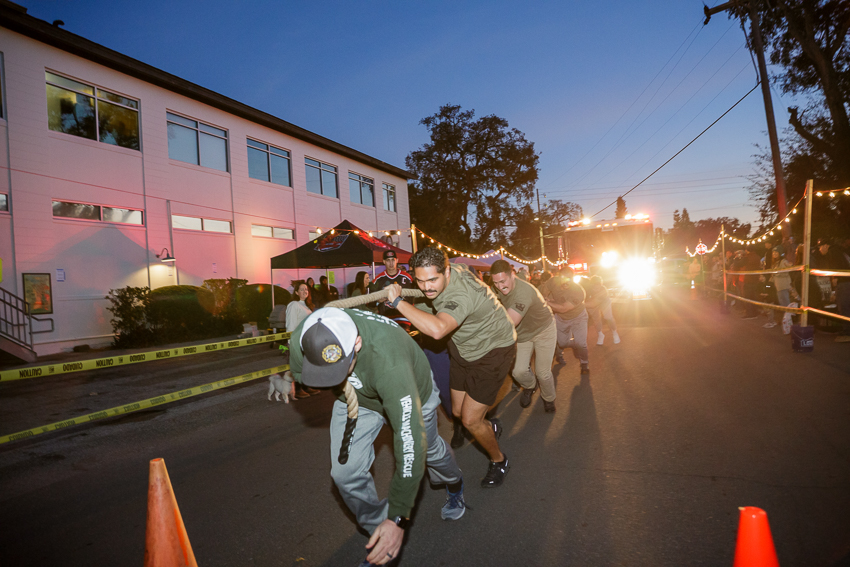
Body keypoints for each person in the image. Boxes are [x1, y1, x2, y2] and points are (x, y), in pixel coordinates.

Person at [282, 307, 466, 566]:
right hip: (358, 398)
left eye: (340, 368)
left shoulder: (389, 362)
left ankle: (454, 482)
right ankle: (381, 536)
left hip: (410, 394)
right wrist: (295, 377)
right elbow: (301, 372)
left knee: (429, 450)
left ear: (357, 343)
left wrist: (400, 516)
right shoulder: (306, 335)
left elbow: (409, 445)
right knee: (344, 473)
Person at [386, 247, 517, 488]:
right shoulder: (454, 269)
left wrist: (397, 302)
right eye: (421, 280)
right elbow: (430, 305)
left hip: (493, 350)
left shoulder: (461, 294)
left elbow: (437, 330)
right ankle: (489, 424)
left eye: (433, 280)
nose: (426, 288)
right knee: (457, 411)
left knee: (469, 419)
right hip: (464, 347)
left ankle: (499, 460)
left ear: (446, 271)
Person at [489, 260, 558, 412]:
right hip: (523, 334)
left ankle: (548, 398)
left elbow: (510, 323)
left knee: (543, 373)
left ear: (512, 275)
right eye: (496, 283)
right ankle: (530, 386)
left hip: (543, 330)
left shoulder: (524, 292)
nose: (500, 287)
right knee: (518, 371)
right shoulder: (498, 287)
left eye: (503, 281)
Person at [541, 265, 589, 374]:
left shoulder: (578, 291)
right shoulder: (553, 281)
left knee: (581, 343)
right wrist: (544, 296)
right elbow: (546, 288)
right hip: (561, 319)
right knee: (562, 343)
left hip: (578, 318)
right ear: (559, 277)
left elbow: (563, 309)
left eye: (570, 278)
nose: (567, 281)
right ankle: (574, 344)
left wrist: (545, 302)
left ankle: (584, 363)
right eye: (564, 278)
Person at [812, 238, 850, 342]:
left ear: (825, 246)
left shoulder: (833, 253)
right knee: (845, 306)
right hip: (846, 281)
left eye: (820, 247)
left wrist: (835, 280)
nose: (820, 250)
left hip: (844, 282)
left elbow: (836, 267)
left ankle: (847, 332)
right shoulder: (840, 250)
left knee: (844, 306)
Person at [286, 282, 319, 398]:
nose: (305, 291)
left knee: (306, 365)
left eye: (306, 289)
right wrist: (291, 343)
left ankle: (306, 386)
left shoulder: (306, 306)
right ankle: (298, 389)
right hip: (297, 341)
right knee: (299, 365)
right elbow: (290, 325)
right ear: (296, 292)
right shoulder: (294, 305)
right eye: (301, 289)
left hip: (306, 341)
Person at [370, 250, 414, 321]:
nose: (391, 263)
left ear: (397, 260)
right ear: (384, 261)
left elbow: (414, 299)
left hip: (404, 317)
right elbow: (370, 302)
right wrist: (378, 300)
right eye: (388, 260)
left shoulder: (408, 278)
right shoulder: (377, 280)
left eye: (393, 260)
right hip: (385, 319)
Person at [584, 275, 619, 345]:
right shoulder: (587, 289)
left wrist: (580, 304)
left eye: (598, 284)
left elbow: (593, 304)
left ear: (601, 284)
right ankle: (600, 334)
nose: (597, 287)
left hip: (604, 302)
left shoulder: (603, 291)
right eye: (594, 285)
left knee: (608, 317)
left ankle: (614, 332)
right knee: (596, 319)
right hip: (592, 302)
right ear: (591, 285)